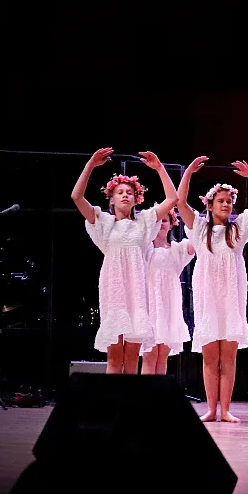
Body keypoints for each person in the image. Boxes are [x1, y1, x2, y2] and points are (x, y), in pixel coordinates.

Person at [176, 156, 248, 423]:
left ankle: (225, 409)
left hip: (231, 295)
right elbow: (180, 203)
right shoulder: (199, 229)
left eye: (230, 201)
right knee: (209, 356)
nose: (226, 204)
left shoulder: (239, 229)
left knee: (228, 356)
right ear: (210, 204)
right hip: (207, 294)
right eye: (221, 201)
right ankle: (211, 408)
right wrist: (189, 173)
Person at [71, 147, 178, 374]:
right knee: (114, 356)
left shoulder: (144, 222)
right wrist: (90, 164)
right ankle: (112, 406)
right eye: (120, 192)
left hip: (137, 290)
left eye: (129, 192)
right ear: (111, 197)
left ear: (136, 198)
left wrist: (159, 168)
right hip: (114, 289)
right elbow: (76, 197)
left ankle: (129, 405)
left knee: (132, 357)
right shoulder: (104, 223)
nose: (125, 195)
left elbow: (172, 199)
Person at [141, 208, 195, 375]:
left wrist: (189, 213)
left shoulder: (177, 249)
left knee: (163, 356)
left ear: (172, 224)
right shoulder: (144, 250)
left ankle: (158, 398)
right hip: (149, 306)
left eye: (164, 221)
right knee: (150, 355)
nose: (160, 224)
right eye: (157, 221)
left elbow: (197, 241)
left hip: (168, 308)